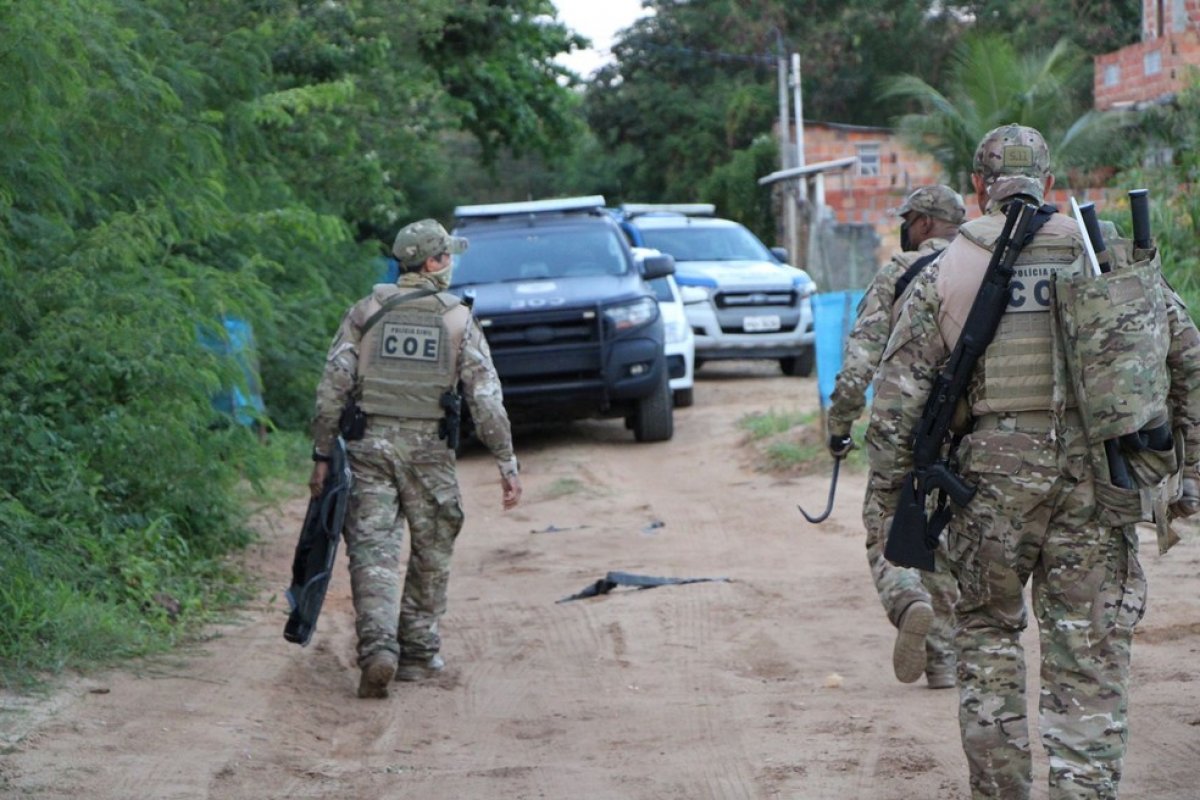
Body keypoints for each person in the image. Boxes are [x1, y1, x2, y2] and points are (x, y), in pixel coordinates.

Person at [867, 123, 1200, 798]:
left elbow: (898, 400)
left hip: (987, 484)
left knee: (987, 640)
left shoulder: (948, 266)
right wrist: (1188, 471)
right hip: (1095, 478)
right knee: (1091, 654)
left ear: (978, 190)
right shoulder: (1100, 249)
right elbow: (1185, 353)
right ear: (1049, 183)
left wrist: (886, 497)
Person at [308, 218, 523, 699]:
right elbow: (486, 400)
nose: (451, 264)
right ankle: (420, 651)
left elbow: (331, 390)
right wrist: (506, 462)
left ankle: (379, 647)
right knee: (433, 545)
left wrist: (322, 454)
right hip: (429, 453)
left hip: (369, 449)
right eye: (447, 255)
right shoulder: (457, 320)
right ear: (432, 263)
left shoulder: (364, 313)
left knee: (372, 551)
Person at [826, 184, 965, 690]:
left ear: (925, 223)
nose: (903, 227)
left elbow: (860, 360)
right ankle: (945, 662)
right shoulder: (983, 268)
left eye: (908, 219)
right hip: (969, 428)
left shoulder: (899, 273)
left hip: (902, 420)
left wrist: (839, 424)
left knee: (885, 521)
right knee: (947, 534)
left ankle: (908, 599)